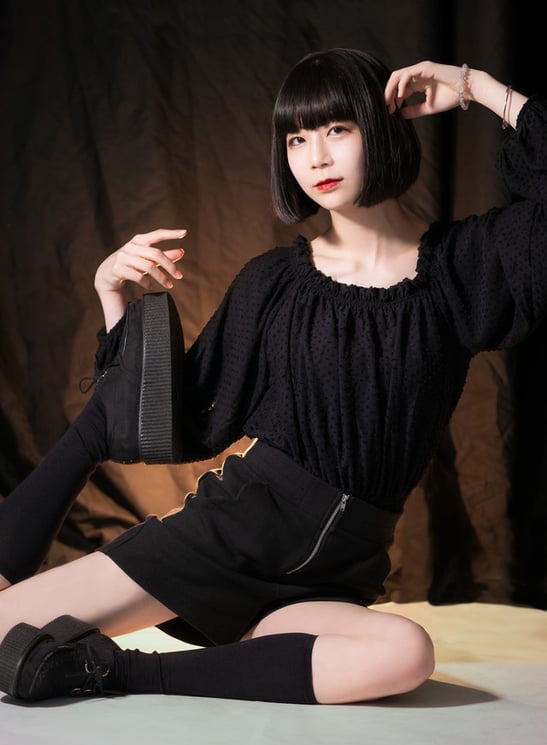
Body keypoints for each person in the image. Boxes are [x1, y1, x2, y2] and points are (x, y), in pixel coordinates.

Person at [0, 48, 539, 705]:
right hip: (227, 539)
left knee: (404, 654)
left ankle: (114, 670)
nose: (316, 158)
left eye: (337, 129)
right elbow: (177, 423)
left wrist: (480, 88)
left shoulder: (462, 267)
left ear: (386, 125)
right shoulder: (273, 283)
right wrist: (111, 297)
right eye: (296, 138)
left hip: (336, 574)